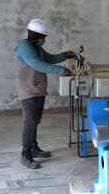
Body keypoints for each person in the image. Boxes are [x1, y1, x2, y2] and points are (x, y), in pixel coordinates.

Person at [14, 19, 75, 169]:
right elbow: (38, 65)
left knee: (34, 121)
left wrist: (65, 55)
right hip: (28, 90)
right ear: (35, 36)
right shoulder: (24, 48)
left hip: (38, 89)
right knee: (30, 123)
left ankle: (34, 148)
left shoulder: (37, 48)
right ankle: (25, 155)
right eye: (43, 37)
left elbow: (50, 59)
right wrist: (62, 70)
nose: (43, 40)